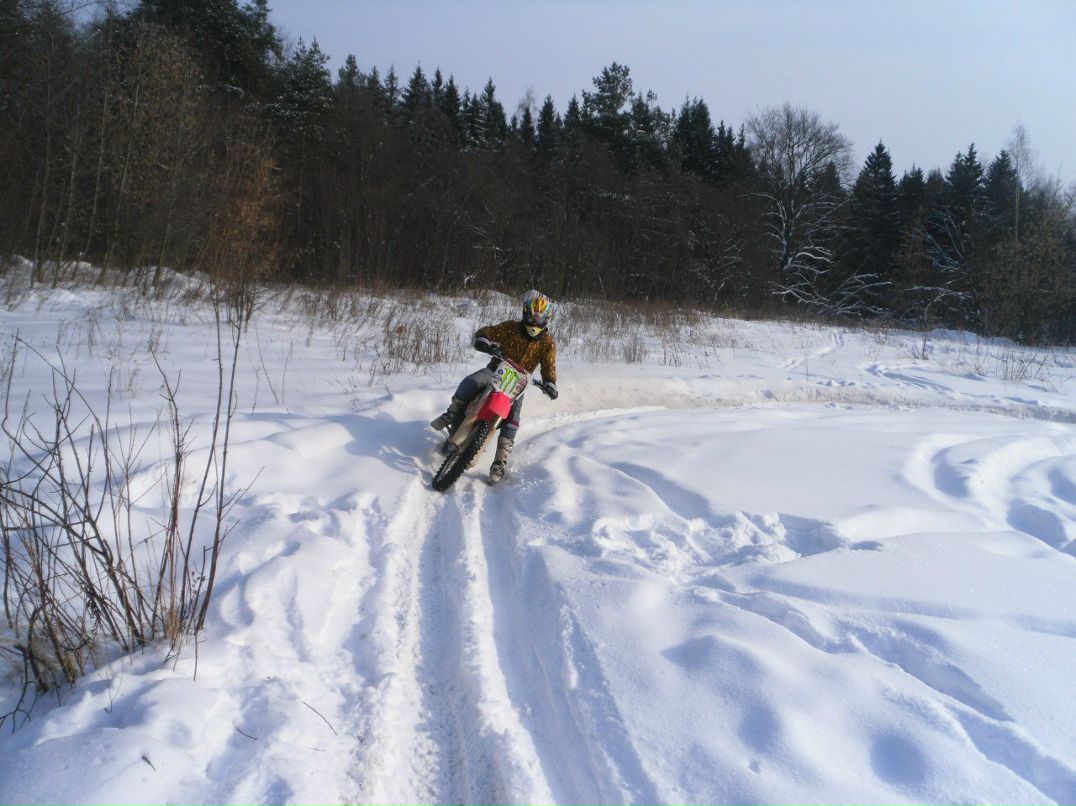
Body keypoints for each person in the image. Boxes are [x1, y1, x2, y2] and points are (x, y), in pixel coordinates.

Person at [430, 289, 559, 484]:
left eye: (539, 319)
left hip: (519, 381)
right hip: (496, 368)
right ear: (525, 313)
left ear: (546, 319)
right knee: (471, 382)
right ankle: (451, 412)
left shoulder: (547, 343)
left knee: (513, 417)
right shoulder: (511, 328)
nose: (534, 322)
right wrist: (483, 338)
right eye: (531, 317)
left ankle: (499, 461)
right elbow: (490, 331)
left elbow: (549, 365)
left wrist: (550, 382)